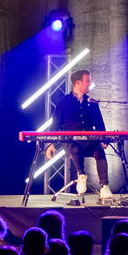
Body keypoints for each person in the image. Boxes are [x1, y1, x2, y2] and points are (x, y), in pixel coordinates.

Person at [52, 68, 113, 199]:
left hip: (89, 140)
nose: (90, 84)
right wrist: (50, 144)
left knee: (99, 151)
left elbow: (100, 123)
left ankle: (104, 186)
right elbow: (55, 123)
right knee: (75, 148)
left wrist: (104, 139)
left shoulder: (92, 103)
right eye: (87, 81)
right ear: (78, 83)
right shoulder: (63, 102)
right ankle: (81, 175)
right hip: (71, 140)